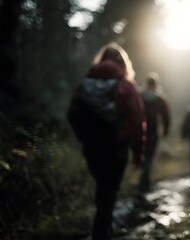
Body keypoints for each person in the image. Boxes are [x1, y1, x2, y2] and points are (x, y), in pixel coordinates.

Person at [67, 43, 146, 240]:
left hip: (91, 146)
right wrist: (137, 151)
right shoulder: (126, 86)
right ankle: (100, 232)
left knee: (103, 185)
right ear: (123, 63)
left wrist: (84, 138)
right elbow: (137, 121)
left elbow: (71, 114)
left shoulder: (85, 84)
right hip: (116, 147)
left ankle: (103, 227)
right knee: (109, 188)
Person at [138, 73, 170, 193]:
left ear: (146, 83)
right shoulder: (160, 98)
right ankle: (143, 183)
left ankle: (144, 182)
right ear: (156, 84)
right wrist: (165, 131)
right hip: (153, 131)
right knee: (149, 157)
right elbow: (166, 117)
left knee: (142, 156)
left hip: (140, 131)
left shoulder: (139, 95)